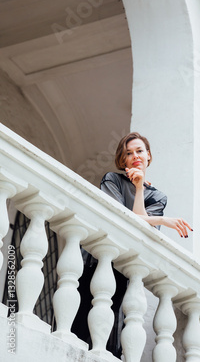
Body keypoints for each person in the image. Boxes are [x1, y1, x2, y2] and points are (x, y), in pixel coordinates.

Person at [73, 132, 192, 357]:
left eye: (139, 151)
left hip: (123, 268)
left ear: (148, 155)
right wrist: (163, 220)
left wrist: (139, 189)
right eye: (128, 153)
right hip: (95, 262)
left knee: (108, 330)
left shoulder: (157, 197)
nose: (135, 156)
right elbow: (122, 219)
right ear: (123, 160)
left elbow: (140, 229)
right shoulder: (112, 180)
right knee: (78, 323)